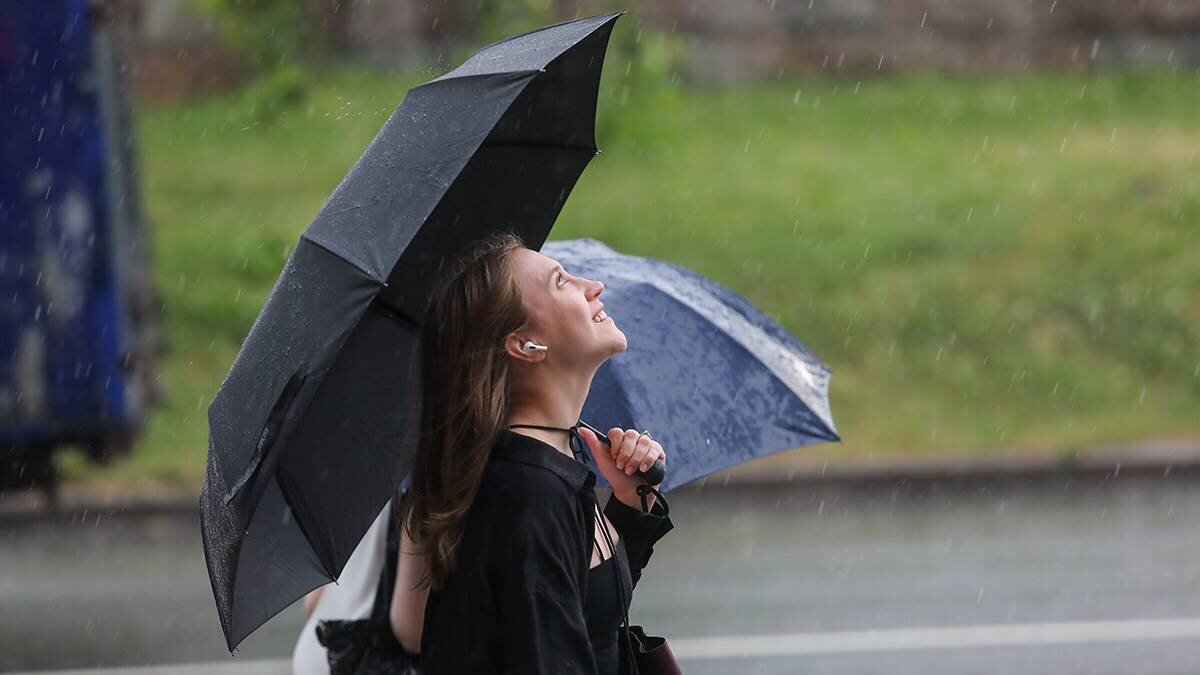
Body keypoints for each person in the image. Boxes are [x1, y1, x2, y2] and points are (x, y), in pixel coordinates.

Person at [393, 231, 675, 674]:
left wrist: (627, 501)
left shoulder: (551, 463)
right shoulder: (527, 492)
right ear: (525, 345)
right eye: (561, 282)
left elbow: (586, 617)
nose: (593, 286)